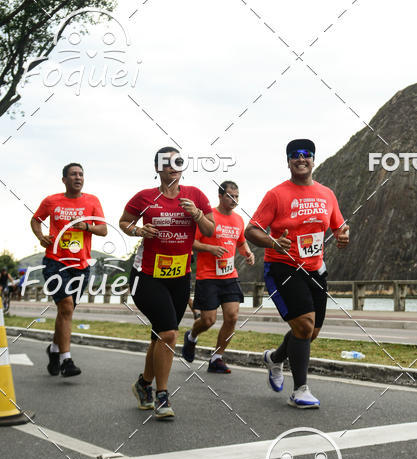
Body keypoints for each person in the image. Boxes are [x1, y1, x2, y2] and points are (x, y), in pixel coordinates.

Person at [245, 139, 349, 409]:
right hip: (282, 266)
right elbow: (251, 230)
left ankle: (275, 358)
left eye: (306, 155)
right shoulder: (277, 194)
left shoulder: (327, 194)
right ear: (288, 161)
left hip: (315, 269)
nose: (300, 159)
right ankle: (300, 390)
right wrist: (273, 242)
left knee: (310, 332)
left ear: (313, 160)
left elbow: (338, 225)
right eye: (294, 156)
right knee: (303, 326)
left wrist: (342, 235)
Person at [119, 147, 214, 419]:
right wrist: (138, 230)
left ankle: (143, 385)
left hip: (179, 278)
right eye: (167, 163)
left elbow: (210, 231)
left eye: (178, 162)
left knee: (160, 335)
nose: (173, 167)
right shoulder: (145, 197)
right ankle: (162, 395)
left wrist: (196, 214)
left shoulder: (195, 196)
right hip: (146, 276)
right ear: (158, 168)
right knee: (170, 333)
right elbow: (124, 222)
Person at [31, 163, 106, 377]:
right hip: (55, 260)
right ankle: (66, 361)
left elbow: (103, 229)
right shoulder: (51, 201)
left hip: (80, 265)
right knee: (66, 306)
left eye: (81, 174)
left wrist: (86, 226)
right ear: (64, 179)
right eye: (73, 174)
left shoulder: (92, 201)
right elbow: (35, 220)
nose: (78, 177)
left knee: (67, 311)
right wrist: (40, 236)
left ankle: (54, 349)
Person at [182, 181, 255, 372]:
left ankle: (217, 358)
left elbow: (240, 242)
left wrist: (248, 253)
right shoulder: (208, 217)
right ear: (220, 196)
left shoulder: (239, 220)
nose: (234, 200)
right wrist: (210, 248)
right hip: (207, 277)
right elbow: (191, 243)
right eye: (230, 196)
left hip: (229, 275)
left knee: (232, 316)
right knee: (208, 320)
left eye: (237, 196)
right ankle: (191, 337)